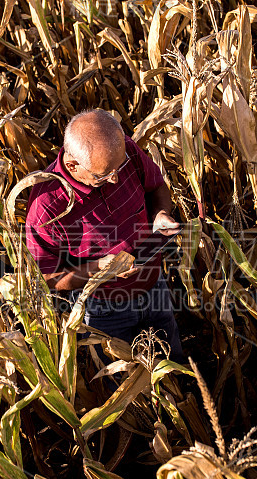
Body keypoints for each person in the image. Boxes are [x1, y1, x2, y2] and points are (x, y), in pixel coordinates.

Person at [25, 109, 183, 361]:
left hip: (155, 286)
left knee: (172, 359)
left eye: (119, 168)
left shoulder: (124, 153)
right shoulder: (46, 206)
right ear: (72, 165)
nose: (116, 178)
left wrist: (160, 214)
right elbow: (48, 277)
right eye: (103, 176)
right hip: (105, 309)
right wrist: (100, 269)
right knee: (120, 382)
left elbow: (156, 187)